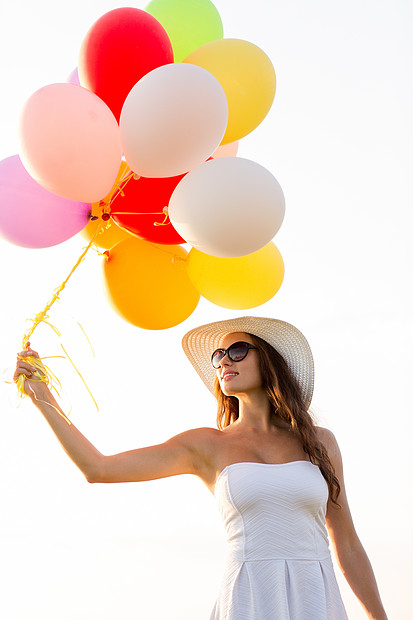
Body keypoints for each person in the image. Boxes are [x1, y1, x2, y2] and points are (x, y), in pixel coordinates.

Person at [14, 316, 388, 620]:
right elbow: (99, 468)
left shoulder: (319, 442)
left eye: (238, 350)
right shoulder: (207, 444)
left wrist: (378, 617)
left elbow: (348, 545)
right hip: (248, 600)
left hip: (315, 599)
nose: (225, 360)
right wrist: (43, 398)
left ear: (270, 360)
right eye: (219, 355)